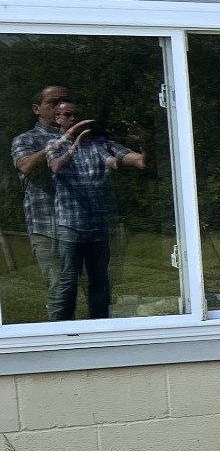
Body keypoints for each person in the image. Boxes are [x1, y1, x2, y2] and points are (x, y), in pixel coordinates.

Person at [46, 98, 144, 322]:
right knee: (68, 280)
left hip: (98, 227)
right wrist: (74, 140)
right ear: (57, 118)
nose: (73, 119)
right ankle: (59, 328)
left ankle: (99, 326)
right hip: (70, 227)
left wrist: (140, 146)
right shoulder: (54, 143)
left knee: (100, 280)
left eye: (76, 114)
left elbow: (121, 161)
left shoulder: (98, 144)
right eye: (67, 115)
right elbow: (56, 166)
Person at [10, 84, 72, 320]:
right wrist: (58, 143)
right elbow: (25, 166)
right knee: (58, 286)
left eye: (65, 101)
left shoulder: (81, 137)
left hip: (83, 226)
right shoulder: (26, 139)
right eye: (54, 102)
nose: (61, 107)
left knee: (94, 285)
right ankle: (57, 341)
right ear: (37, 108)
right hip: (47, 226)